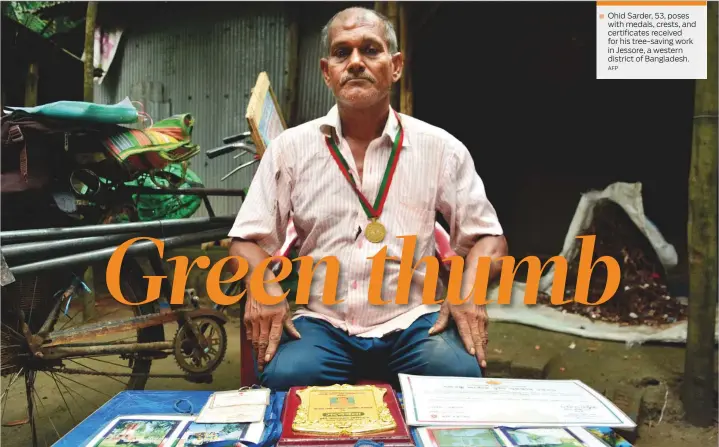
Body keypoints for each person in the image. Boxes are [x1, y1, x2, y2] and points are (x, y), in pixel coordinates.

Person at [228, 6, 508, 390]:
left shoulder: (441, 148)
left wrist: (468, 289)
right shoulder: (289, 150)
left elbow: (490, 239)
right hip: (324, 321)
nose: (356, 62)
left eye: (370, 50)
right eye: (342, 52)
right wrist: (263, 285)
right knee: (285, 379)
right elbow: (245, 241)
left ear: (395, 66)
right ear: (328, 72)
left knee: (458, 377)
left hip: (414, 319)